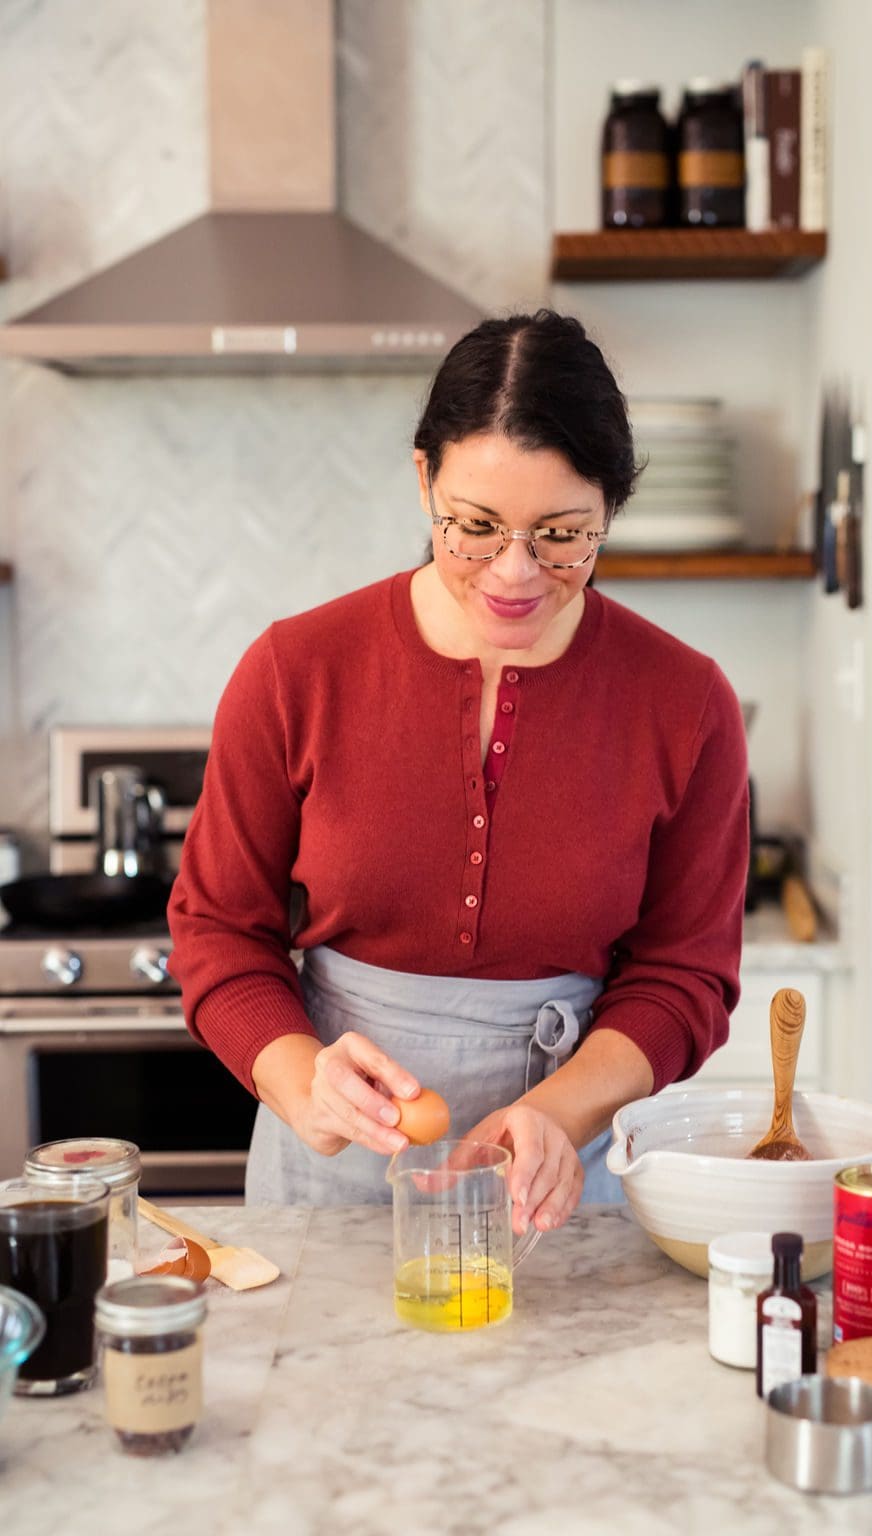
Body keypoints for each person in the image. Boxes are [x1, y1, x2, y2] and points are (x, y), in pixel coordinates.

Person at [167, 309, 749, 1233]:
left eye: (563, 534)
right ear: (422, 477)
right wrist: (299, 1077)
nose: (513, 574)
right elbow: (215, 930)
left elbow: (685, 973)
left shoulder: (685, 701)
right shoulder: (296, 671)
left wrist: (558, 1113)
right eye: (473, 527)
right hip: (332, 1182)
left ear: (612, 508)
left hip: (558, 1182)